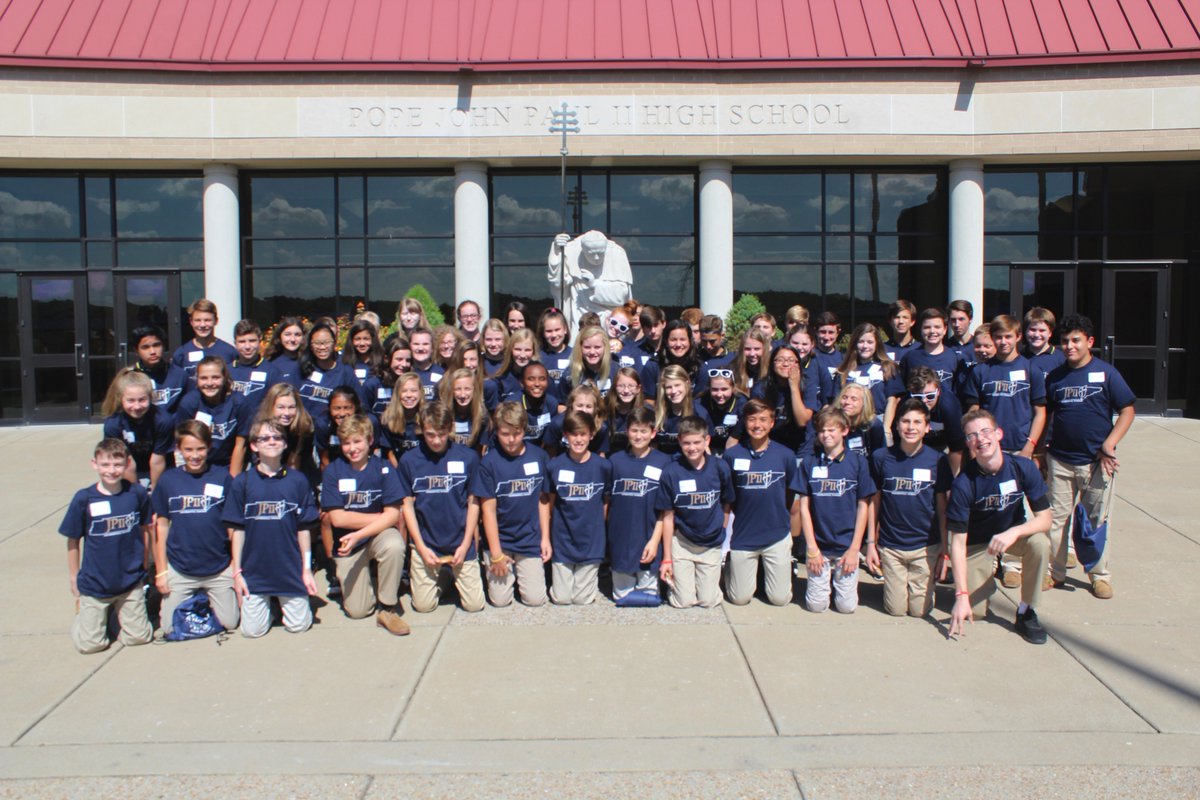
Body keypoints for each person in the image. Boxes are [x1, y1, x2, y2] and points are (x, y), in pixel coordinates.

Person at [1043, 314, 1136, 599]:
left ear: (1090, 342)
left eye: (1076, 340)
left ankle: (1098, 575)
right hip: (1059, 460)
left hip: (1097, 462)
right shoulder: (1056, 377)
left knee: (1096, 520)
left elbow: (1127, 410)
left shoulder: (1107, 373)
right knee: (1056, 520)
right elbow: (1047, 415)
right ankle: (1055, 572)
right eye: (1065, 341)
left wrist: (1110, 443)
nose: (1069, 346)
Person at [947, 409, 1053, 645]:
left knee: (1039, 543)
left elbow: (1045, 519)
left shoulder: (1022, 468)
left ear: (998, 433)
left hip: (1010, 535)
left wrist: (1014, 531)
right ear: (968, 443)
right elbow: (957, 542)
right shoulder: (964, 484)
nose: (981, 439)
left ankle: (1027, 611)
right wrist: (961, 594)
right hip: (977, 544)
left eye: (985, 431)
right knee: (974, 613)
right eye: (972, 435)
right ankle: (984, 579)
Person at [963, 315, 1047, 588]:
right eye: (998, 337)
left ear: (1018, 337)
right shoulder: (981, 371)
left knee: (1016, 509)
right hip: (989, 452)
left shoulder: (1030, 369)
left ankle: (1012, 563)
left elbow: (1040, 412)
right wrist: (975, 448)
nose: (1002, 342)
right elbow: (973, 411)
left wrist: (1030, 448)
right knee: (989, 507)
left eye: (1008, 336)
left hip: (1019, 450)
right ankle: (991, 559)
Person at [224, 418, 320, 638]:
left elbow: (304, 530)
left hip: (288, 568)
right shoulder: (243, 481)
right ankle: (272, 607)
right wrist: (237, 571)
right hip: (255, 570)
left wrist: (306, 570)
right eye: (264, 438)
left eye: (277, 438)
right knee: (252, 631)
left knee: (299, 626)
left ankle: (280, 602)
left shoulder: (297, 480)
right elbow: (238, 530)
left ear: (285, 444)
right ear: (254, 446)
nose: (271, 442)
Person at [60, 438, 154, 654]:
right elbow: (73, 540)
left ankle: (116, 617)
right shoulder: (84, 499)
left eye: (117, 464)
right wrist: (74, 577)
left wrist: (144, 564)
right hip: (96, 583)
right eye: (105, 465)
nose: (111, 470)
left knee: (139, 638)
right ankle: (83, 619)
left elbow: (145, 530)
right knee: (92, 646)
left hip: (129, 580)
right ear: (95, 464)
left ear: (127, 463)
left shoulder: (136, 494)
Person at [319, 414, 410, 635]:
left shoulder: (384, 468)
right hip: (347, 543)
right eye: (346, 443)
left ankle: (388, 607)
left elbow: (395, 515)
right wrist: (382, 517)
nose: (352, 448)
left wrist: (361, 533)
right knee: (358, 611)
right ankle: (367, 581)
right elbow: (338, 518)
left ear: (369, 441)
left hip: (373, 537)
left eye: (357, 441)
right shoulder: (334, 471)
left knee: (394, 544)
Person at [151, 421, 239, 636]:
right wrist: (162, 571)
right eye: (188, 450)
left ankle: (204, 600)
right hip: (182, 568)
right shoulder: (169, 480)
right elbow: (161, 526)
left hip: (217, 566)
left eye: (200, 449)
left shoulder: (222, 477)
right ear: (178, 450)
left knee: (230, 623)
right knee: (169, 628)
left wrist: (235, 566)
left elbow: (233, 526)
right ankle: (195, 598)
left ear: (209, 447)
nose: (195, 455)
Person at [866, 399, 952, 617]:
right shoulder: (881, 458)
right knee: (895, 610)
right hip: (892, 545)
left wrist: (945, 548)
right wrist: (871, 543)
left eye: (917, 422)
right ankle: (897, 583)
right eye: (905, 421)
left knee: (919, 611)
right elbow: (874, 502)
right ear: (896, 425)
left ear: (927, 427)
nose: (911, 427)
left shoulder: (938, 460)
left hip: (925, 546)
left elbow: (942, 508)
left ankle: (920, 582)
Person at [399, 402, 485, 613]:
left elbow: (474, 502)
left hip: (459, 542)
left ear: (450, 429)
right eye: (430, 434)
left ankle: (450, 574)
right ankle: (445, 576)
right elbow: (407, 506)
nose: (436, 440)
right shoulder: (409, 460)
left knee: (475, 605)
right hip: (427, 544)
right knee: (423, 606)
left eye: (441, 434)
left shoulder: (468, 457)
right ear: (420, 430)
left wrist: (466, 545)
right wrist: (420, 547)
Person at [796, 407, 876, 614]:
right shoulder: (810, 462)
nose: (826, 435)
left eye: (832, 430)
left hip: (846, 545)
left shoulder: (858, 462)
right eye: (822, 431)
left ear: (844, 430)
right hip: (820, 546)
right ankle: (825, 582)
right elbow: (804, 508)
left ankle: (837, 582)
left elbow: (863, 506)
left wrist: (854, 549)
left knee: (846, 607)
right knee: (816, 606)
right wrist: (812, 549)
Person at [474, 402, 553, 607]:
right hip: (501, 540)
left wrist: (545, 538)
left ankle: (524, 571)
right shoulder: (489, 462)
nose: (511, 440)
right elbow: (488, 511)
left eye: (516, 433)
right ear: (497, 432)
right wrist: (497, 554)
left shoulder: (539, 456)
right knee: (500, 601)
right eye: (505, 433)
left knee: (535, 600)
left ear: (524, 430)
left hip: (529, 538)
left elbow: (542, 501)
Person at [723, 399, 800, 607]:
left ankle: (786, 567)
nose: (757, 425)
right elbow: (727, 499)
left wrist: (789, 531)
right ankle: (733, 565)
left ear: (772, 423)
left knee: (779, 599)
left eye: (764, 420)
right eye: (752, 419)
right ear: (745, 422)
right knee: (739, 599)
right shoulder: (731, 456)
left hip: (776, 535)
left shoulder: (785, 455)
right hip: (744, 535)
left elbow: (790, 495)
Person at [657, 416, 735, 609]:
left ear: (707, 440)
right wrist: (667, 557)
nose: (692, 448)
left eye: (697, 442)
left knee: (708, 601)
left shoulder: (719, 467)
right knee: (683, 602)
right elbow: (668, 516)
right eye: (687, 443)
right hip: (682, 543)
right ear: (679, 442)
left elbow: (727, 503)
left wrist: (721, 528)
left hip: (710, 544)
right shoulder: (671, 471)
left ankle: (706, 581)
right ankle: (683, 583)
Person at [547, 410, 612, 605]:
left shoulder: (603, 466)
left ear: (591, 435)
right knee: (562, 599)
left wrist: (599, 526)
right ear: (565, 435)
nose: (578, 439)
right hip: (563, 539)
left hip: (591, 540)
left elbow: (605, 501)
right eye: (574, 434)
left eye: (583, 434)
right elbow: (550, 501)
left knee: (582, 599)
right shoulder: (555, 466)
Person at [607, 407, 671, 603]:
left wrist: (654, 541)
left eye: (644, 431)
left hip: (648, 539)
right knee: (623, 599)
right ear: (627, 431)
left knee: (647, 600)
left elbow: (665, 511)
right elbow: (607, 503)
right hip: (621, 543)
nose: (638, 435)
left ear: (653, 433)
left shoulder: (663, 462)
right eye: (634, 430)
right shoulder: (615, 461)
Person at [548, 230, 634, 337]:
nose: (597, 258)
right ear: (583, 250)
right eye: (591, 254)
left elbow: (622, 295)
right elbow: (558, 282)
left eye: (600, 253)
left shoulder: (617, 253)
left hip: (609, 321)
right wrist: (557, 251)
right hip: (580, 315)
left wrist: (594, 285)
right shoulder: (571, 250)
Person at [175, 356, 251, 473]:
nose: (209, 383)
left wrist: (232, 480)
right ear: (197, 379)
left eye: (215, 377)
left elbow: (240, 445)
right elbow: (183, 443)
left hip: (229, 463)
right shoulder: (189, 403)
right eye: (204, 378)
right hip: (198, 463)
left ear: (224, 378)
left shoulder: (239, 402)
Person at [101, 368, 174, 488]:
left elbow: (158, 460)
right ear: (121, 399)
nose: (137, 406)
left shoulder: (163, 420)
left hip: (160, 466)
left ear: (150, 397)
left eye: (142, 400)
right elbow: (126, 463)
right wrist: (136, 495)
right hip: (127, 466)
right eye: (130, 400)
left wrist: (155, 491)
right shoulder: (114, 424)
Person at [296, 319, 366, 419]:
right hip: (304, 428)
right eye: (317, 343)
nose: (322, 347)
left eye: (327, 342)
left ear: (334, 344)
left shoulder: (346, 371)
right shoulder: (302, 368)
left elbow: (360, 403)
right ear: (311, 346)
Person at [171, 298, 237, 383]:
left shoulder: (229, 352)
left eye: (207, 320)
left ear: (216, 321)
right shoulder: (181, 354)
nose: (202, 325)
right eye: (198, 320)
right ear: (191, 322)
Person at [653, 365, 710, 456]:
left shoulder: (699, 413)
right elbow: (652, 447)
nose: (674, 391)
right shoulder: (656, 414)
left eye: (677, 385)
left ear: (687, 383)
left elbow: (705, 448)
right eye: (668, 387)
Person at [130, 324, 187, 415]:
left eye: (156, 345)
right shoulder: (129, 378)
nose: (152, 352)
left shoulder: (180, 375)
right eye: (145, 347)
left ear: (163, 346)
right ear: (136, 351)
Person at [229, 319, 283, 401]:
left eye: (252, 341)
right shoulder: (227, 371)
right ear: (235, 343)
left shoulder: (272, 372)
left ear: (259, 340)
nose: (247, 346)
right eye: (242, 342)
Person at [380, 372, 424, 461]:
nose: (408, 395)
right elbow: (389, 453)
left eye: (413, 390)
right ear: (397, 394)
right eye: (404, 391)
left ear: (420, 392)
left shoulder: (428, 417)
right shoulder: (388, 419)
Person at [263, 316, 306, 385]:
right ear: (279, 336)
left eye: (297, 335)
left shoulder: (309, 362)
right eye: (287, 334)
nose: (293, 339)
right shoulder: (271, 363)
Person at [408, 327, 444, 402]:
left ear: (432, 348)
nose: (420, 348)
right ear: (410, 346)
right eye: (416, 344)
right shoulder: (405, 373)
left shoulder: (442, 374)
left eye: (425, 344)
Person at [946, 300, 976, 365]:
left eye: (961, 319)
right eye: (953, 320)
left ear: (970, 319)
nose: (957, 324)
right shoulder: (944, 347)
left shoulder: (978, 346)